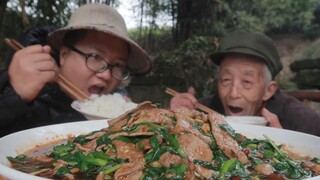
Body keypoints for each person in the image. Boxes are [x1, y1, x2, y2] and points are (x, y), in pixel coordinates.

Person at [0, 4, 152, 137]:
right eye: (95, 56)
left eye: (118, 65)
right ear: (64, 55)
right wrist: (13, 98)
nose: (106, 75)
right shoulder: (20, 88)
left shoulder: (121, 104)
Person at [169, 30, 320, 136]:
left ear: (269, 90)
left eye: (247, 82)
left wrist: (286, 150)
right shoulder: (204, 110)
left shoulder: (304, 123)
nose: (233, 93)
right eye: (226, 80)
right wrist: (174, 117)